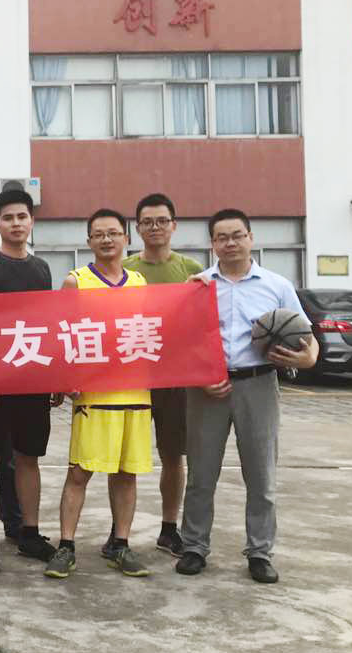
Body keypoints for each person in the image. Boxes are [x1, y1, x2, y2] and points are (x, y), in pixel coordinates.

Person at [177, 209, 318, 584]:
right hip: (208, 388)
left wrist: (307, 359)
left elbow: (307, 338)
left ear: (251, 238)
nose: (230, 243)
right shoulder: (198, 286)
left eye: (237, 235)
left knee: (261, 476)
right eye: (222, 237)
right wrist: (201, 377)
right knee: (201, 474)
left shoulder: (277, 286)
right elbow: (182, 341)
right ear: (212, 244)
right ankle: (194, 547)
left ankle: (260, 552)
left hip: (259, 384)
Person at [45, 209, 153, 581]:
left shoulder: (139, 282)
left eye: (113, 233)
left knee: (126, 473)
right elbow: (61, 334)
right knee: (80, 472)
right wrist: (65, 377)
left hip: (135, 393)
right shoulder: (76, 282)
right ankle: (66, 546)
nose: (107, 240)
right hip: (93, 396)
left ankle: (120, 543)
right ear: (89, 241)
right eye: (99, 234)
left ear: (126, 238)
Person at [0, 193, 59, 573]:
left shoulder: (42, 269)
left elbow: (46, 325)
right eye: (8, 218)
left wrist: (53, 375)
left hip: (32, 378)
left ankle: (29, 533)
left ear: (32, 221)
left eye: (22, 216)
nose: (16, 223)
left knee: (28, 457)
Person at [118, 193, 205, 558]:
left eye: (162, 221)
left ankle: (169, 529)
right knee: (124, 458)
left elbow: (202, 325)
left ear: (174, 225)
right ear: (137, 229)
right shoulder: (124, 269)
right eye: (147, 222)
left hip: (176, 380)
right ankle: (119, 534)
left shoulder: (192, 270)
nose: (155, 228)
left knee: (173, 456)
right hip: (131, 379)